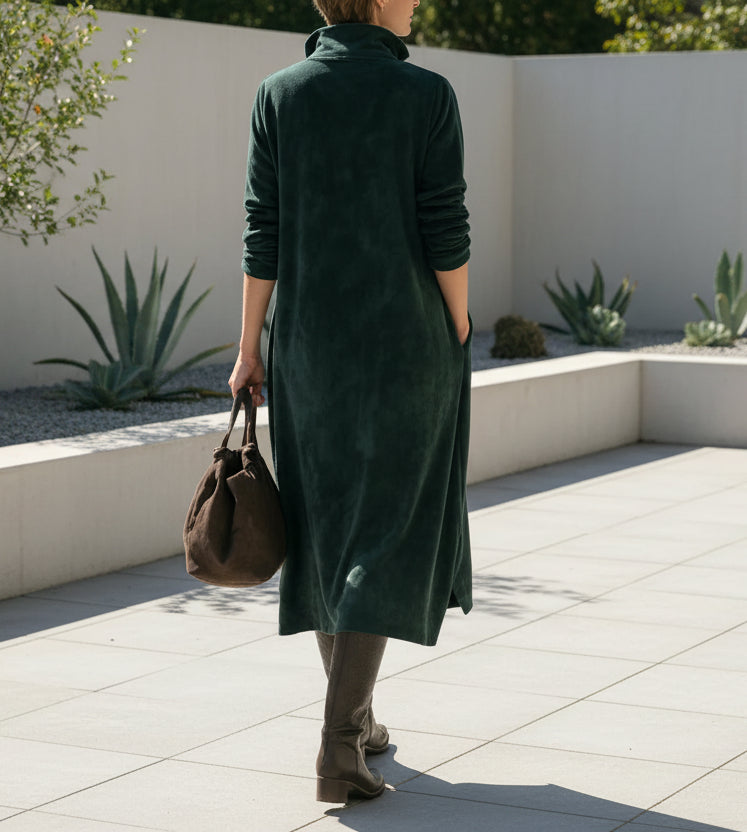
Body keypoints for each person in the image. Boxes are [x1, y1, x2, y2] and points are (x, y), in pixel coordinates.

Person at [228, 0, 472, 804]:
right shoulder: (425, 94)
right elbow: (444, 225)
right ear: (377, 1)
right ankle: (339, 747)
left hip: (307, 345)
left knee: (328, 525)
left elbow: (264, 229)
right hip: (405, 339)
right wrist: (460, 319)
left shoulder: (279, 93)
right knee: (385, 524)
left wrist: (247, 347)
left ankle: (358, 720)